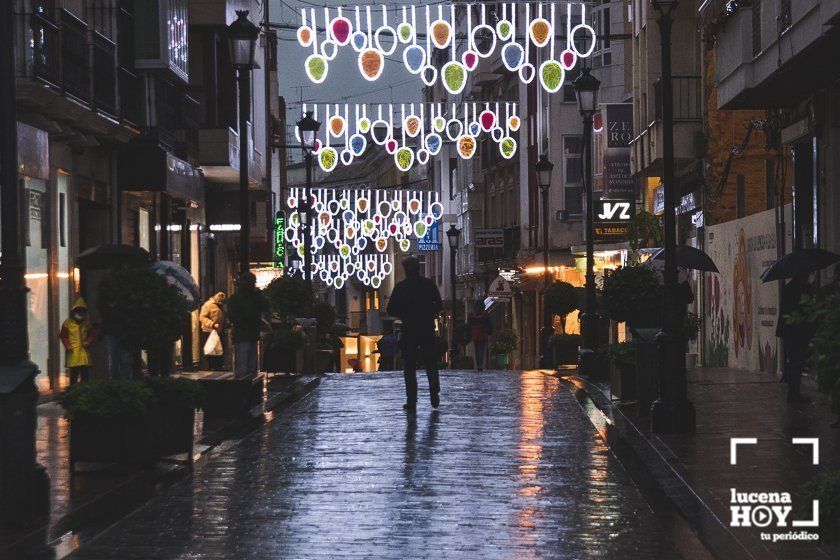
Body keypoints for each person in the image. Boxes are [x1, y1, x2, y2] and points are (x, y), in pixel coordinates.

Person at [386, 256, 442, 413]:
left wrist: (404, 312)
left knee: (409, 366)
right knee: (430, 362)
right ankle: (434, 390)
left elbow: (391, 310)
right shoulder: (428, 285)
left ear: (406, 270)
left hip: (409, 330)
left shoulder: (401, 287)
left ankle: (411, 400)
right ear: (419, 268)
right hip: (426, 328)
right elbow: (439, 304)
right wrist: (428, 312)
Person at [776, 273, 815, 404]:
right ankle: (793, 393)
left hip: (790, 331)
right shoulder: (800, 289)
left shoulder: (789, 287)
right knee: (797, 362)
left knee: (794, 361)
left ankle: (793, 391)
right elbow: (805, 309)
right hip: (797, 331)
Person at [226, 272, 269, 380]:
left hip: (249, 334)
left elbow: (265, 306)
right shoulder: (237, 299)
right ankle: (244, 387)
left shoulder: (252, 297)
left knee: (249, 364)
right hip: (244, 334)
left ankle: (247, 386)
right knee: (245, 364)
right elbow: (233, 316)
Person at [60, 298, 95, 385]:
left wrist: (88, 341)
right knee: (74, 372)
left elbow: (91, 335)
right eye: (78, 311)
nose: (79, 314)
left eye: (82, 312)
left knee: (85, 373)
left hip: (83, 351)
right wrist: (68, 345)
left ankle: (84, 388)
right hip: (73, 351)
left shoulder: (87, 323)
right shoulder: (67, 323)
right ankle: (73, 388)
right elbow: (64, 336)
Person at [199, 291, 227, 370]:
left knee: (218, 350)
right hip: (209, 332)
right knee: (210, 350)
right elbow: (202, 317)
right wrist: (212, 324)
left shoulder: (221, 306)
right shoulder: (208, 305)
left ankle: (218, 367)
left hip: (219, 332)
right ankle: (209, 367)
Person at [467, 300, 493, 371]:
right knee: (481, 349)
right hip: (482, 334)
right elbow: (489, 325)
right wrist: (489, 332)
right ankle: (480, 365)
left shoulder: (472, 316)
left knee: (477, 349)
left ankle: (478, 364)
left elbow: (468, 326)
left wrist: (468, 334)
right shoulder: (485, 315)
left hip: (475, 334)